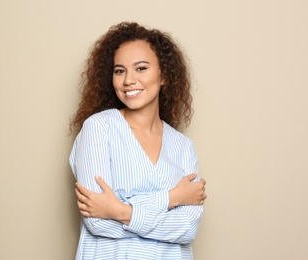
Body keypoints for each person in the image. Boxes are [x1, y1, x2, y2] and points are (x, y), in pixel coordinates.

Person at [69, 22, 207, 260]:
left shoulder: (183, 146)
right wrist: (172, 198)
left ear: (164, 75)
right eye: (119, 71)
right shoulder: (99, 128)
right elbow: (98, 222)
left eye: (141, 68)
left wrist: (118, 210)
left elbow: (186, 228)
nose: (128, 80)